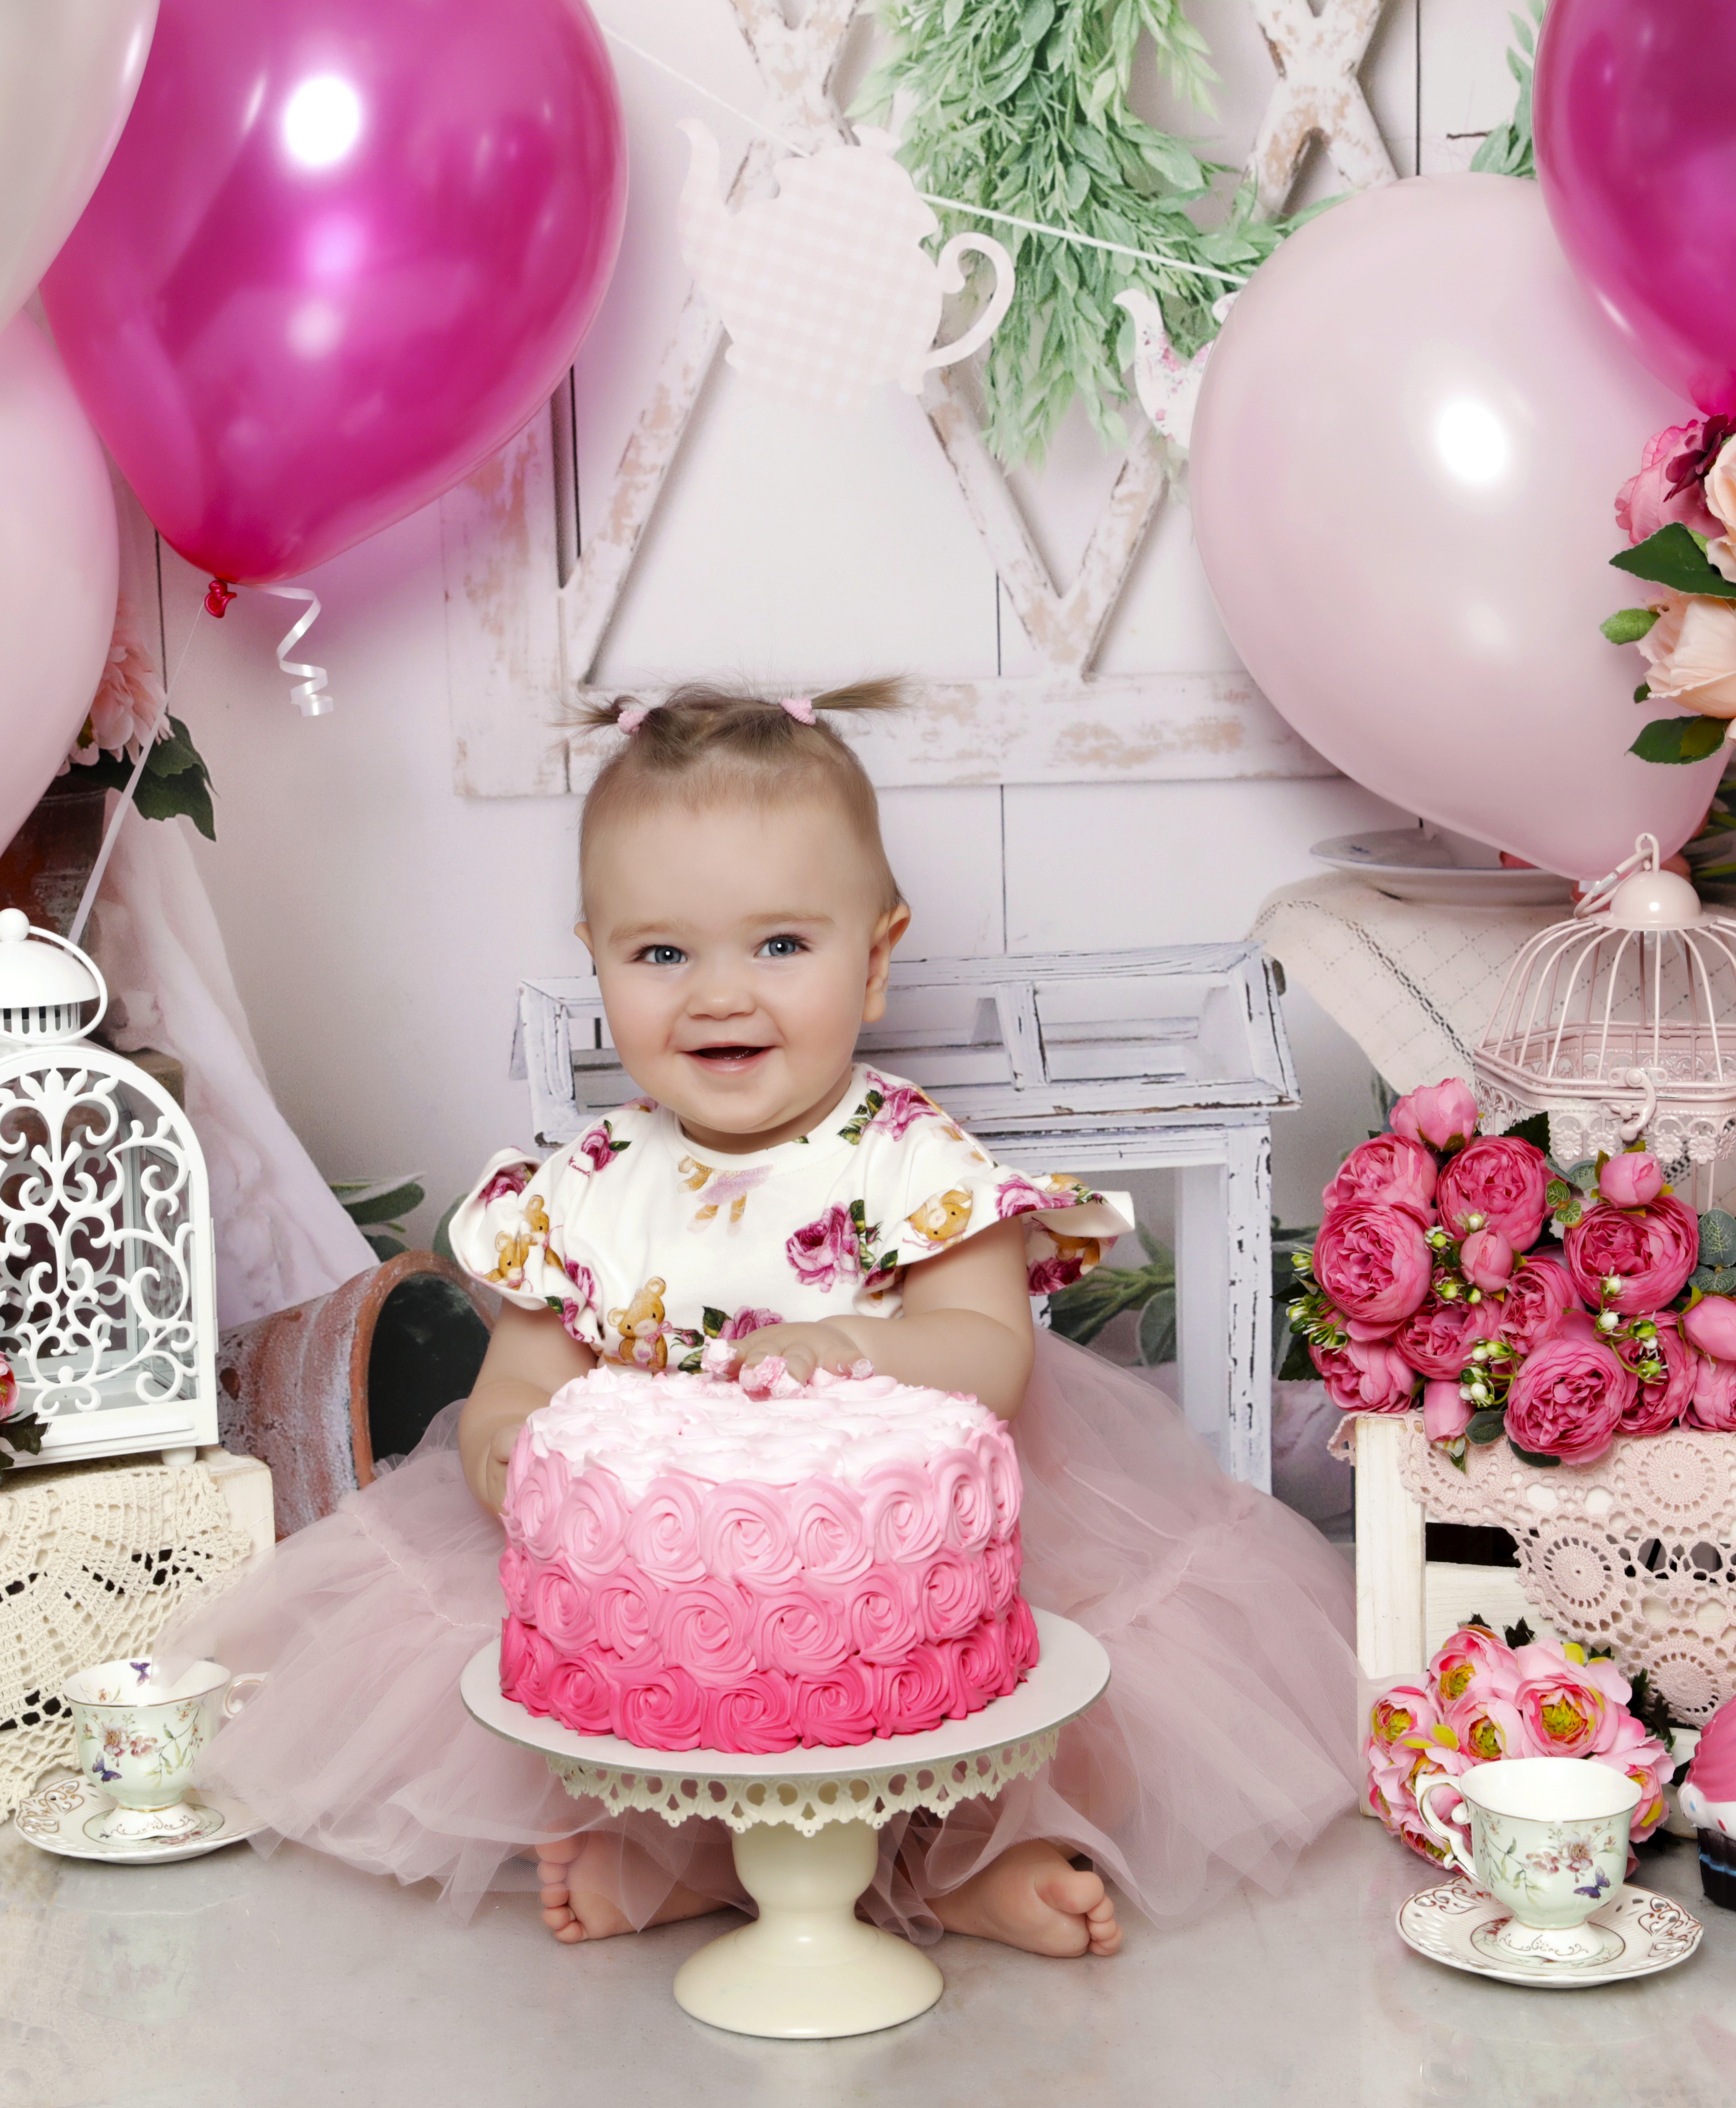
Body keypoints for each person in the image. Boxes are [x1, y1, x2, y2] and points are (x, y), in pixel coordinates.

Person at [168, 682, 1363, 1956]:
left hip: (884, 1547)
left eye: (781, 946)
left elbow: (989, 1352)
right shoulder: (587, 1188)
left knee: (1011, 1689)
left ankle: (962, 1861)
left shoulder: (906, 1157)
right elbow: (519, 1377)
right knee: (634, 1693)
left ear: (878, 957)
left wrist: (862, 1347)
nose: (719, 996)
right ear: (598, 956)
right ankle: (692, 1860)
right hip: (666, 1562)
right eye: (661, 954)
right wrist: (500, 1448)